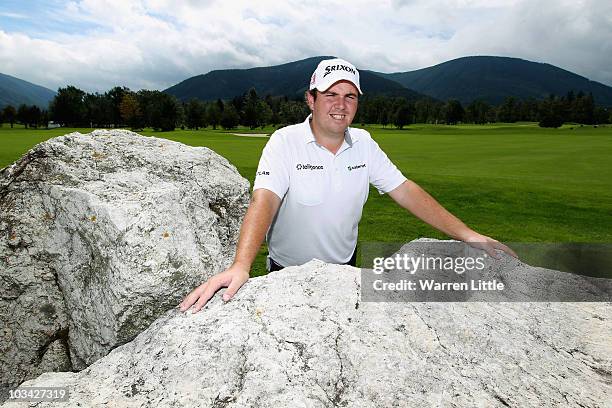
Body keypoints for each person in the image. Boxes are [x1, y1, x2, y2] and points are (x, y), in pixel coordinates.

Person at [179, 58, 516, 314]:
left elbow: (406, 190)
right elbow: (263, 200)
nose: (341, 105)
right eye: (330, 95)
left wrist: (467, 234)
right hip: (284, 277)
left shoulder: (365, 144)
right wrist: (241, 266)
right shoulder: (285, 142)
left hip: (343, 274)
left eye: (350, 96)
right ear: (311, 100)